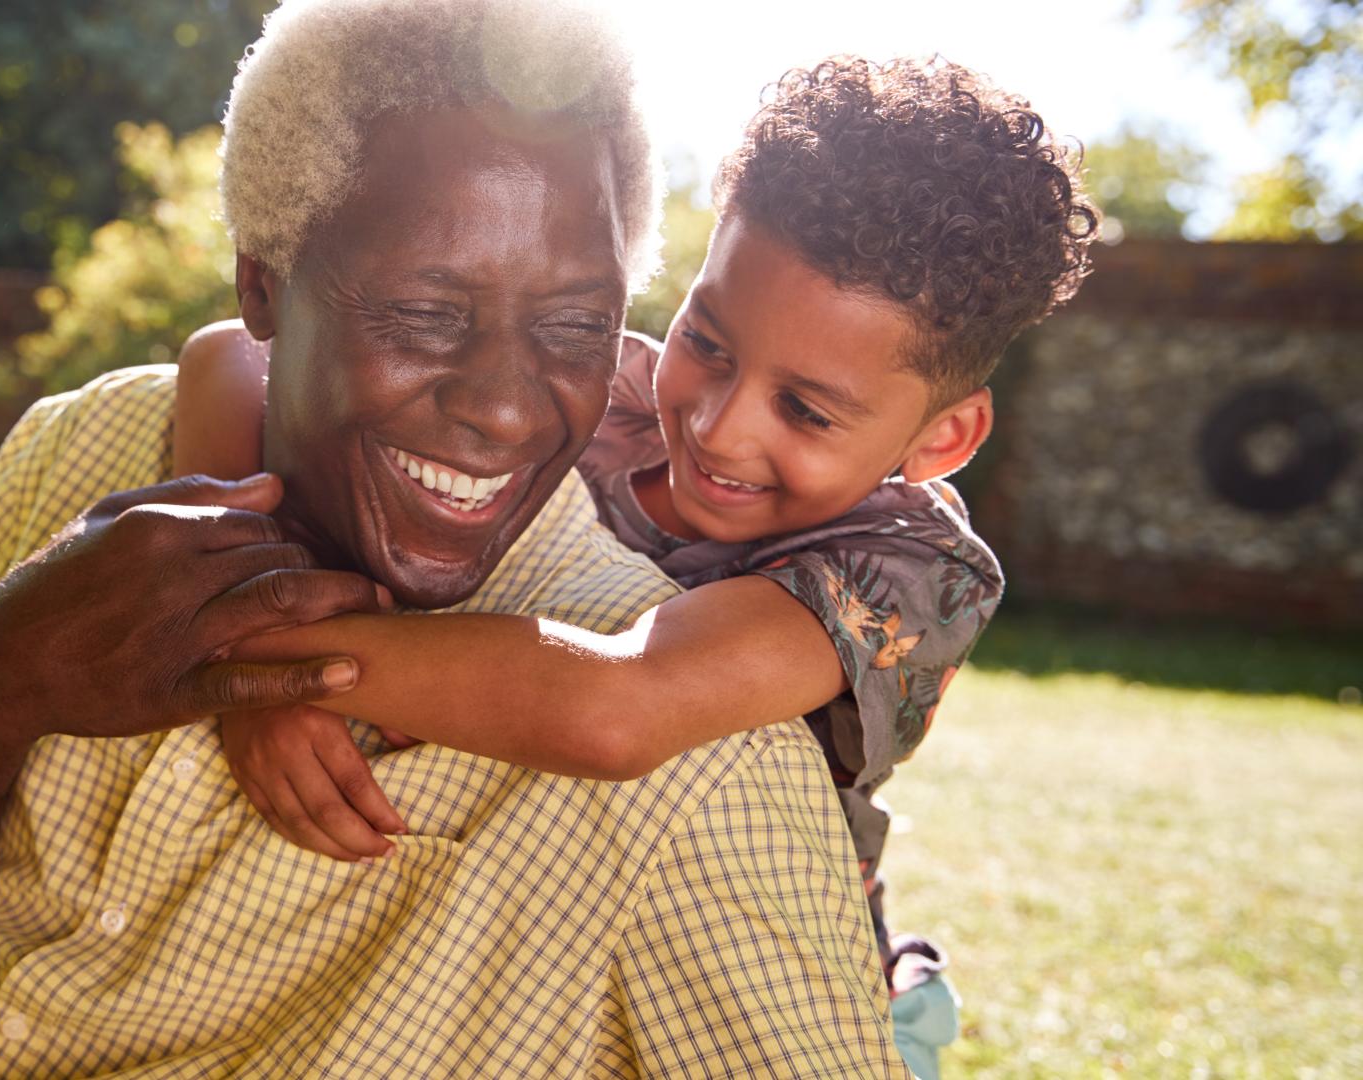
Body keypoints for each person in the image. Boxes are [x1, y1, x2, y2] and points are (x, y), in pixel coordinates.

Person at [0, 1, 909, 1077]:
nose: (505, 407)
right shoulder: (98, 445)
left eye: (579, 328)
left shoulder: (694, 775)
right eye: (423, 315)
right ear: (269, 292)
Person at [170, 56, 1100, 1077]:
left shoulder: (911, 573)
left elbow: (618, 707)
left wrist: (262, 656)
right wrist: (244, 593)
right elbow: (227, 354)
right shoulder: (600, 393)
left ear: (945, 437)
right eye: (708, 340)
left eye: (806, 410)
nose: (719, 422)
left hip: (755, 983)